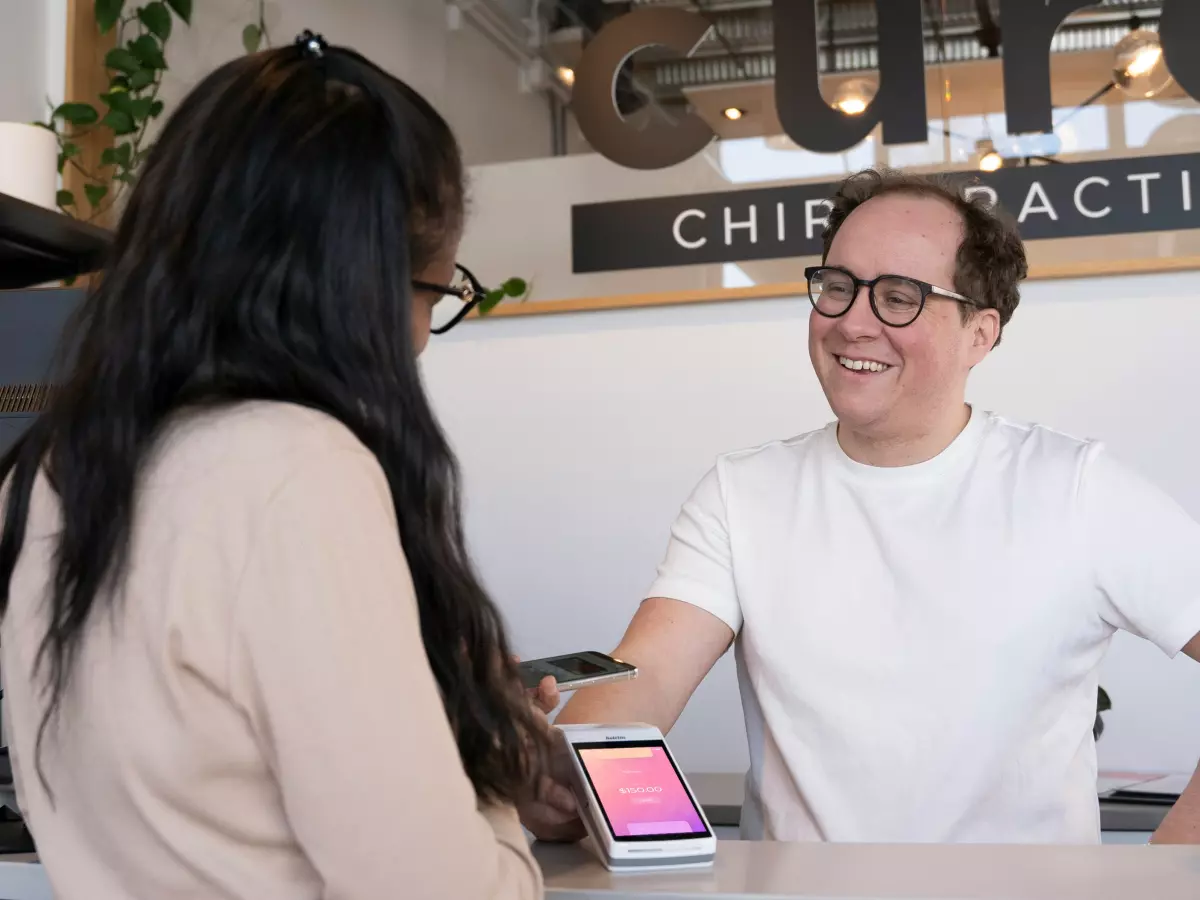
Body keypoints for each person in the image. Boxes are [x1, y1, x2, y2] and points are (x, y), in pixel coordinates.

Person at [0, 34, 549, 900]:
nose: (415, 344)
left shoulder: (44, 474)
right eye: (433, 295)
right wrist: (486, 768)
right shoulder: (294, 473)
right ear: (359, 288)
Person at [523, 169, 1200, 846]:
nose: (852, 322)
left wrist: (1166, 872)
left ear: (980, 334)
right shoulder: (743, 492)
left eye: (899, 297)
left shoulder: (1077, 488)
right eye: (838, 287)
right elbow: (649, 678)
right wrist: (560, 774)